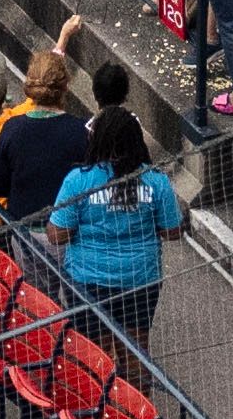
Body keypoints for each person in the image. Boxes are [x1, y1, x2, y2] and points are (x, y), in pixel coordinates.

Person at [45, 103, 182, 351]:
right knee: (135, 350)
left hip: (87, 279)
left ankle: (101, 389)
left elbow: (57, 236)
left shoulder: (78, 180)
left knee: (95, 354)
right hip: (139, 279)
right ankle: (137, 389)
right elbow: (172, 231)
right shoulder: (157, 181)